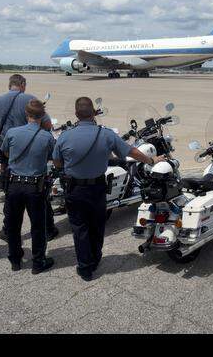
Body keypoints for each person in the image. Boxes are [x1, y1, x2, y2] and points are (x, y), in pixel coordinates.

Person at [53, 96, 161, 281]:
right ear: (94, 113)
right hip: (97, 187)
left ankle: (85, 268)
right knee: (97, 225)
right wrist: (151, 160)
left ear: (76, 114)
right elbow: (131, 152)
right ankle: (95, 258)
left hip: (75, 189)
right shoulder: (106, 134)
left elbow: (57, 163)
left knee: (80, 228)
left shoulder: (65, 136)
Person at [0, 74, 57, 241]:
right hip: (33, 151)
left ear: (10, 84)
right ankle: (47, 228)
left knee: (10, 191)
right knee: (40, 190)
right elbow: (47, 125)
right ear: (23, 84)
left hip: (9, 152)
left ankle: (9, 229)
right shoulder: (30, 99)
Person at [1, 100, 56, 274]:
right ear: (43, 116)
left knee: (13, 224)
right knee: (38, 226)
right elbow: (52, 158)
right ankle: (38, 261)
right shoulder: (47, 136)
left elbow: (6, 152)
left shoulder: (12, 132)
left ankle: (15, 260)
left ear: (27, 114)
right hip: (35, 186)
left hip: (14, 184)